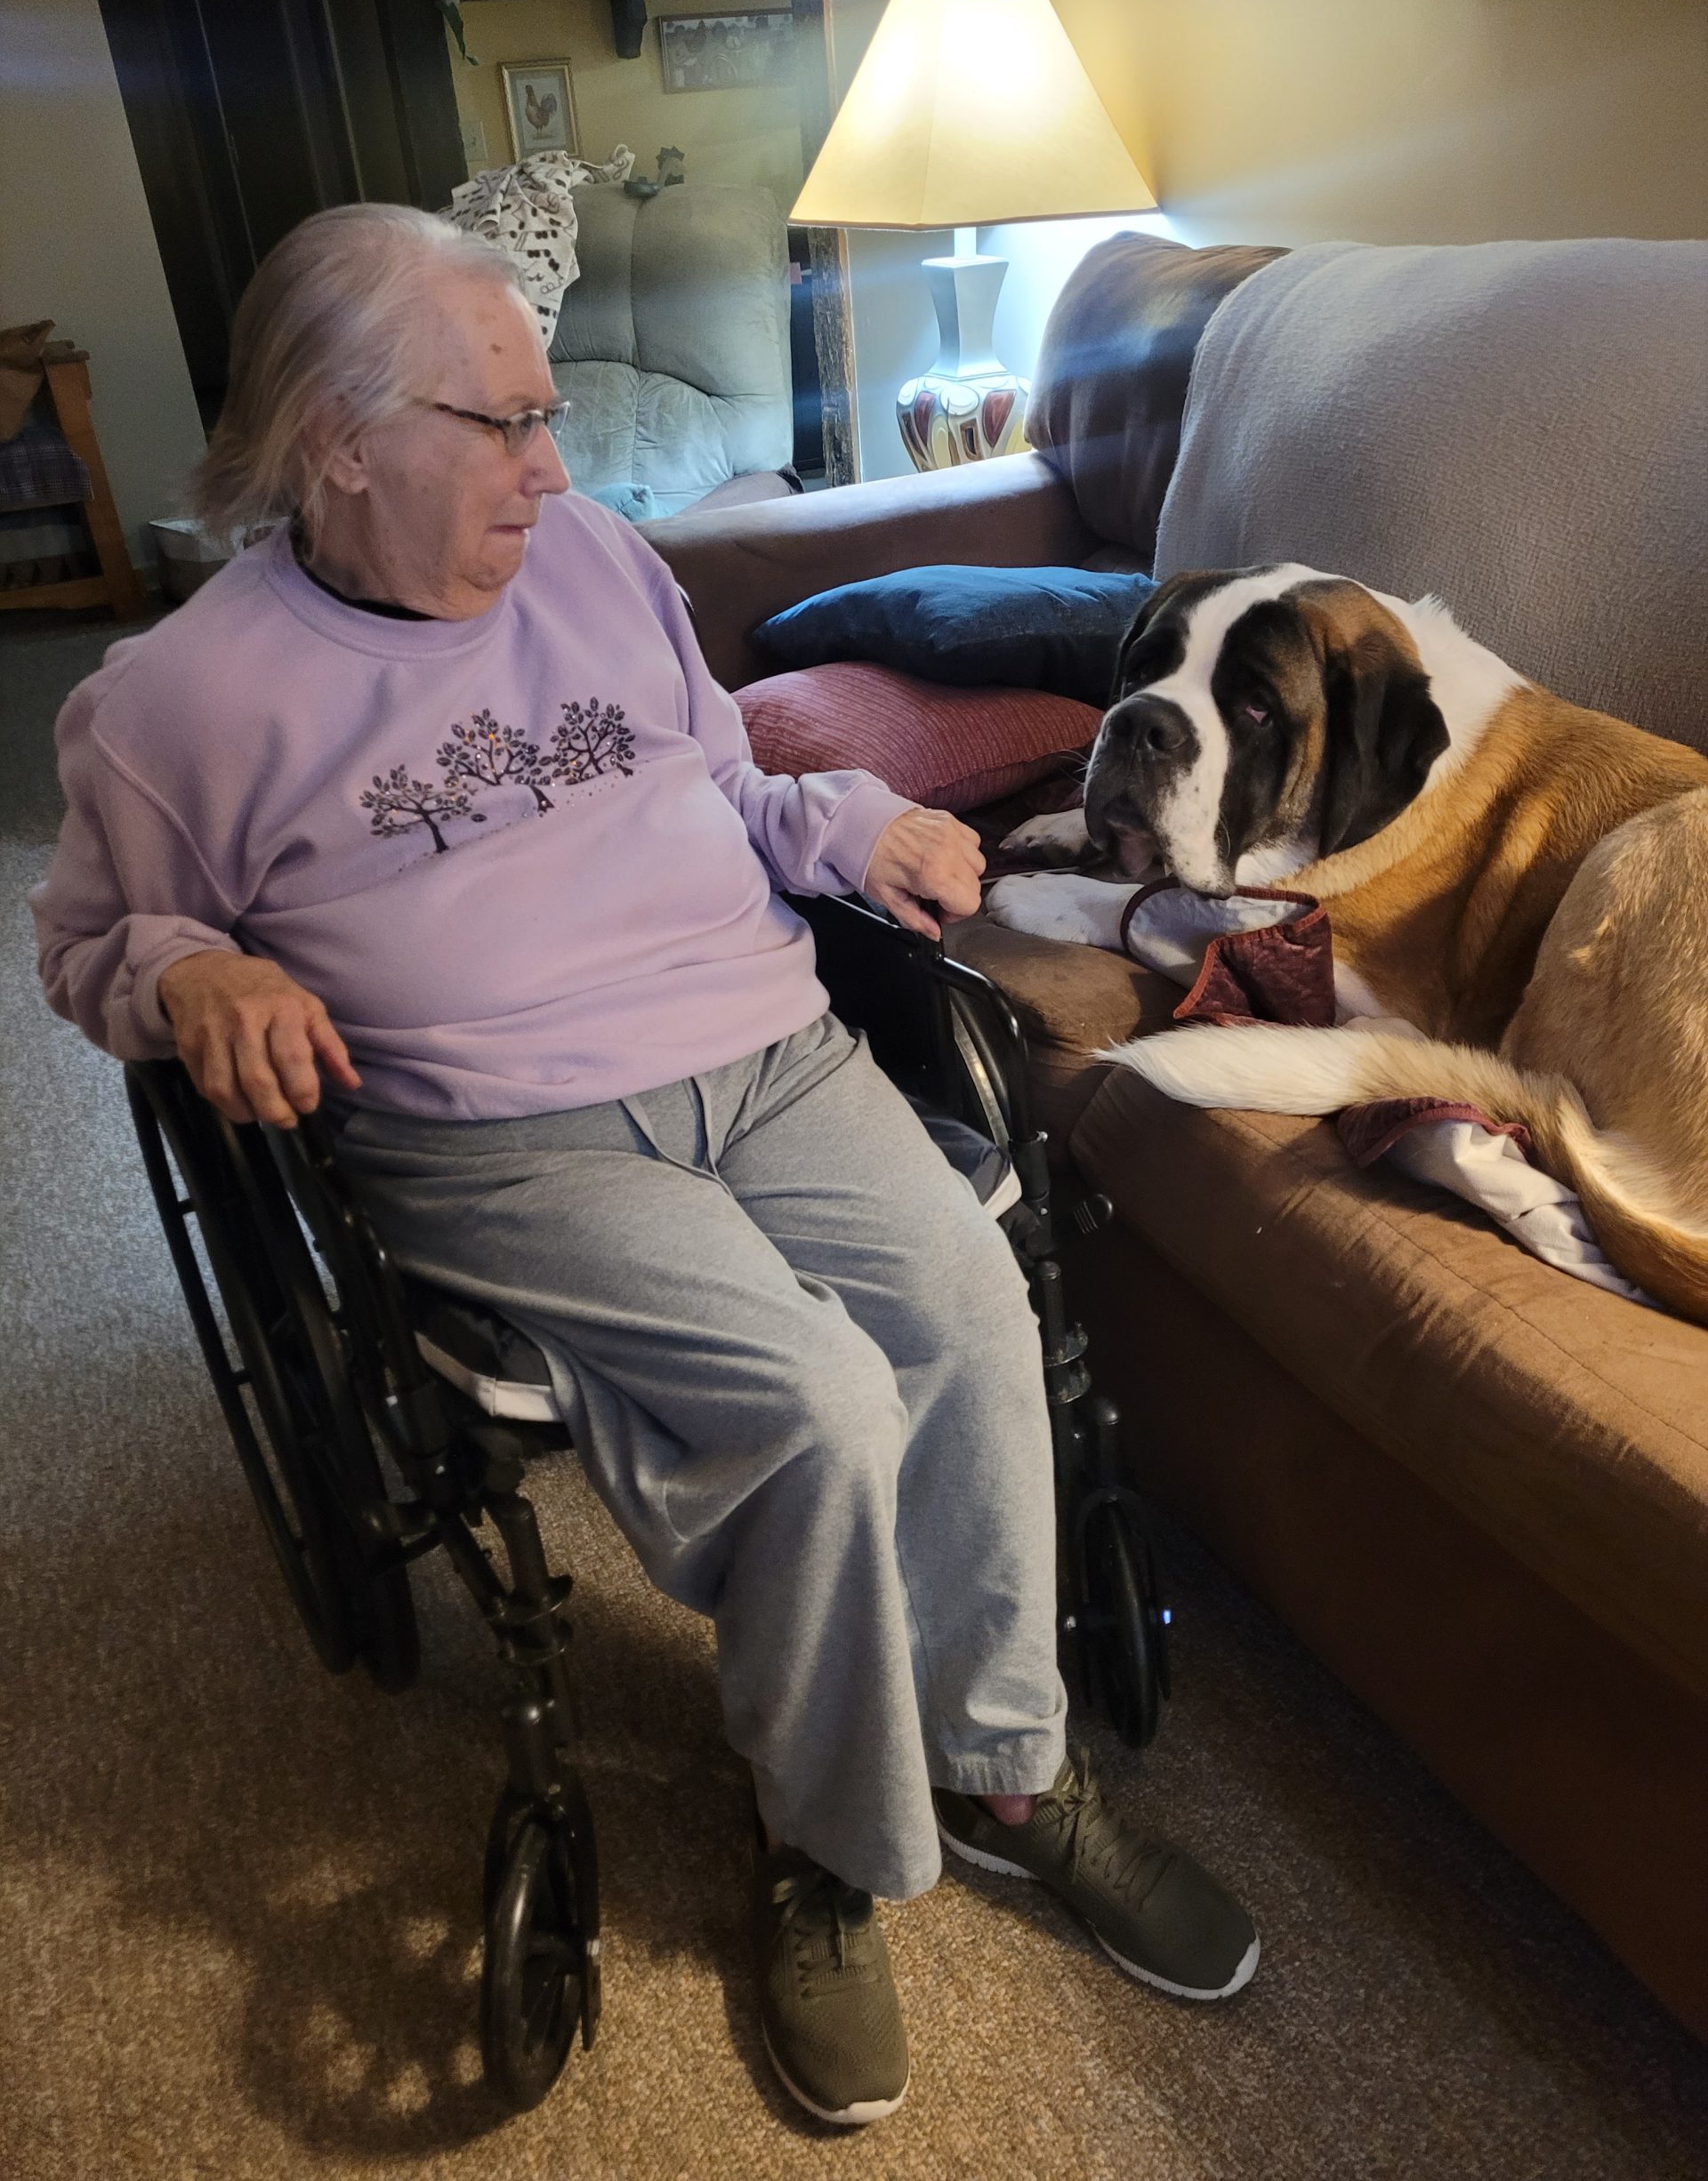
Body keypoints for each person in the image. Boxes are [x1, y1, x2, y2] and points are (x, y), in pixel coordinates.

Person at [32, 205, 1258, 2128]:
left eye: (549, 416)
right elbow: (92, 938)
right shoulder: (179, 701)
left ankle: (1010, 1769)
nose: (558, 467)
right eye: (505, 422)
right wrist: (201, 969)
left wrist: (849, 822)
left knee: (965, 1297)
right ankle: (828, 1844)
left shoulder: (599, 564)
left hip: (765, 1045)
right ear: (340, 438)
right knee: (819, 1401)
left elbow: (729, 787)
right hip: (495, 1129)